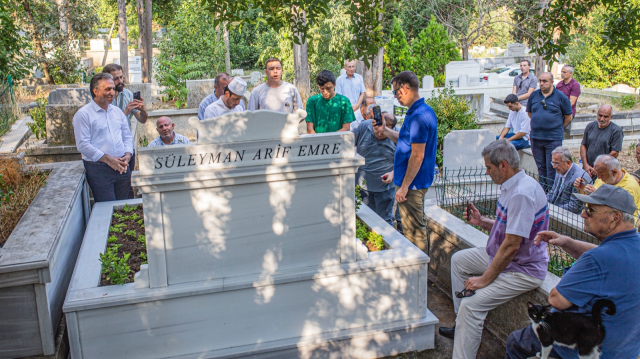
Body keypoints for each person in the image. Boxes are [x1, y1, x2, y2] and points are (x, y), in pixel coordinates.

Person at [438, 140, 549, 359]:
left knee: (472, 306)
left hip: (522, 268)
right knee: (459, 260)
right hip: (504, 256)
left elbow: (511, 246)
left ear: (504, 166)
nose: (486, 172)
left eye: (489, 167)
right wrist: (482, 222)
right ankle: (463, 326)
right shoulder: (512, 186)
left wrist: (485, 279)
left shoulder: (521, 194)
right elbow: (511, 230)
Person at [506, 184, 640, 359]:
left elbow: (556, 300)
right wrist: (568, 242)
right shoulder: (629, 248)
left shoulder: (597, 259)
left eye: (591, 210)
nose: (583, 214)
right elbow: (609, 256)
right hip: (625, 349)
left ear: (615, 218)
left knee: (515, 342)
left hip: (584, 348)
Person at [378, 71, 437, 252]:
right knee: (413, 228)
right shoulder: (419, 111)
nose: (395, 96)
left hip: (412, 186)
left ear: (405, 89)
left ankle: (418, 275)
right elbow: (406, 142)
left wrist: (404, 187)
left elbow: (417, 156)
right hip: (410, 181)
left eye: (396, 92)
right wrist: (386, 131)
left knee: (414, 232)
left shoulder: (419, 116)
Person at [73, 73, 133, 202]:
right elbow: (83, 144)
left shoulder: (117, 112)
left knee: (124, 207)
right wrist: (108, 160)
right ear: (96, 91)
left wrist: (128, 154)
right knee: (107, 208)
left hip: (122, 166)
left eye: (113, 89)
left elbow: (127, 136)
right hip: (99, 168)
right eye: (107, 89)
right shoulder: (83, 115)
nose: (112, 92)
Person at [527, 72, 573, 192]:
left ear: (552, 82)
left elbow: (568, 116)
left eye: (545, 81)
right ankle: (543, 193)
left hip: (553, 139)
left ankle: (553, 194)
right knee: (541, 167)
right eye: (540, 81)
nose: (542, 84)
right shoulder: (534, 96)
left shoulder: (560, 97)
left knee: (552, 167)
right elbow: (530, 113)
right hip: (536, 137)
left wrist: (557, 127)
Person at [353, 108, 397, 225]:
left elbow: (405, 159)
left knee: (385, 221)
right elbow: (347, 144)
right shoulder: (363, 127)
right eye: (376, 131)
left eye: (383, 133)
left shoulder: (397, 135)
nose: (379, 134)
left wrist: (393, 173)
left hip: (385, 188)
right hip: (362, 185)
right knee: (364, 220)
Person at [574, 154, 640, 217]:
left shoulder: (630, 186)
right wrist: (581, 189)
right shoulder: (605, 177)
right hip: (589, 217)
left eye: (601, 174)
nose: (599, 177)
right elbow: (590, 199)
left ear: (614, 172)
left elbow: (620, 213)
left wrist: (598, 196)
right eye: (597, 173)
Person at [547, 146, 592, 214]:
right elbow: (553, 191)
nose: (553, 166)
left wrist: (553, 210)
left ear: (568, 163)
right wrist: (543, 203)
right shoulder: (560, 169)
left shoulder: (580, 177)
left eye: (556, 163)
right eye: (552, 163)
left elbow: (574, 206)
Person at [579, 105, 622, 177]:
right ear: (597, 114)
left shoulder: (616, 131)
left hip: (605, 171)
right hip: (588, 169)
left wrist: (598, 168)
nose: (602, 119)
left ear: (611, 117)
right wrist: (585, 165)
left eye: (606, 116)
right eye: (600, 115)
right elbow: (583, 145)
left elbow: (614, 153)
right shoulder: (590, 126)